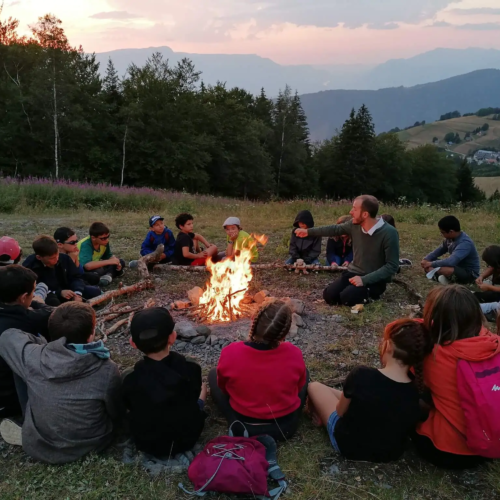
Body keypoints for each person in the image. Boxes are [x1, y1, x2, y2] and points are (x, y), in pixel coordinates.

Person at [0, 302, 123, 463]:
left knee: (20, 361)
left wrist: (40, 343)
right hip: (92, 445)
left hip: (41, 445)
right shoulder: (106, 369)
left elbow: (7, 336)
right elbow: (115, 410)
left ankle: (30, 429)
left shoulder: (34, 357)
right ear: (92, 333)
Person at [307, 319, 427, 462]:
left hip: (349, 446)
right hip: (389, 454)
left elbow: (340, 412)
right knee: (356, 396)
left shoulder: (361, 375)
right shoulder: (415, 394)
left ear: (388, 346)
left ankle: (313, 413)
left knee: (314, 387)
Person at [414, 285, 500, 469]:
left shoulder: (435, 355)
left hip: (447, 450)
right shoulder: (492, 342)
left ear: (433, 320)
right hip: (489, 444)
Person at [209, 299, 308, 441]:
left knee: (214, 374)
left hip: (244, 422)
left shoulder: (230, 352)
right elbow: (298, 388)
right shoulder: (294, 353)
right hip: (284, 427)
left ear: (253, 321)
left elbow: (224, 388)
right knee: (305, 375)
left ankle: (236, 424)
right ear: (285, 333)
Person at [123, 307, 207, 457]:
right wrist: (202, 398)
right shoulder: (192, 368)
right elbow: (192, 400)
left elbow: (129, 406)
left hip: (146, 443)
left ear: (133, 343)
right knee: (203, 390)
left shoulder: (129, 377)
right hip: (187, 439)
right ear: (173, 337)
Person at [295, 195, 399, 307]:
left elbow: (392, 266)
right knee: (329, 296)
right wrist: (308, 232)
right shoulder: (354, 225)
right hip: (354, 272)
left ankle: (372, 294)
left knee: (347, 298)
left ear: (365, 214)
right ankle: (354, 291)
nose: (351, 212)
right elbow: (335, 229)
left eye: (354, 209)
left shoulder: (389, 233)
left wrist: (364, 280)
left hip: (374, 279)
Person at [0, 265, 52, 419]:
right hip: (10, 398)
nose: (34, 295)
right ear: (23, 298)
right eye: (33, 292)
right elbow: (60, 315)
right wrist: (39, 304)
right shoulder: (30, 319)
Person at [23, 235, 100, 307]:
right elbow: (35, 289)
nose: (56, 259)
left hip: (68, 291)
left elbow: (76, 277)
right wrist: (59, 293)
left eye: (57, 255)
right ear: (39, 257)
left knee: (94, 291)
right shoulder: (30, 267)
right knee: (53, 302)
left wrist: (77, 293)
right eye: (52, 258)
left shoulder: (64, 258)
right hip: (49, 294)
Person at [421, 216, 480, 285]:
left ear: (451, 232)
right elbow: (439, 250)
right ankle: (438, 276)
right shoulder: (450, 239)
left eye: (443, 232)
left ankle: (437, 276)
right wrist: (426, 259)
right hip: (455, 267)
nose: (441, 234)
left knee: (444, 270)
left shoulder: (465, 243)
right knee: (430, 263)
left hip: (468, 273)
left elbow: (451, 262)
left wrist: (431, 264)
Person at [78, 222, 125, 287]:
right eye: (103, 238)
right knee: (96, 273)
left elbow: (108, 256)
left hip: (97, 265)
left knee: (121, 261)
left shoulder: (104, 242)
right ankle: (110, 274)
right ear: (93, 238)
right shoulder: (86, 244)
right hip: (83, 269)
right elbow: (87, 266)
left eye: (108, 237)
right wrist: (110, 261)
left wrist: (116, 262)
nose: (107, 240)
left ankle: (108, 276)